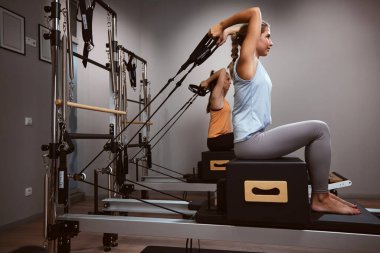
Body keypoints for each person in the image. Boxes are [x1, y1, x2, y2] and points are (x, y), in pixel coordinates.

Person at [209, 7, 360, 215]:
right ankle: (320, 197)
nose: (271, 42)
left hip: (253, 140)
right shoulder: (247, 61)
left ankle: (321, 193)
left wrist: (229, 31)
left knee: (318, 131)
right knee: (320, 130)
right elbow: (254, 12)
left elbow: (246, 29)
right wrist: (222, 25)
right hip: (250, 143)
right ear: (253, 39)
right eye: (267, 36)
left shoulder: (252, 63)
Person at [199, 68, 234, 151]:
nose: (230, 82)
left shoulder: (222, 97)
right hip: (215, 140)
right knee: (242, 134)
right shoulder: (215, 97)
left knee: (243, 133)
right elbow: (222, 70)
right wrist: (207, 81)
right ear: (221, 81)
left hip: (224, 138)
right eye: (228, 79)